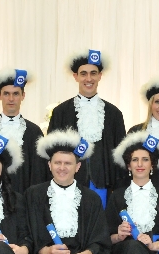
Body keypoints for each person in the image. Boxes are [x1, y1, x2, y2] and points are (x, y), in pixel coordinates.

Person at [48, 49, 126, 206]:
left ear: (100, 76)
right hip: (69, 183)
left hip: (103, 184)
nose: (88, 78)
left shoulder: (114, 114)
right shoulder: (61, 112)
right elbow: (52, 153)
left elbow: (121, 155)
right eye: (83, 74)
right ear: (75, 76)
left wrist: (119, 188)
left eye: (93, 73)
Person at [0, 68, 48, 192]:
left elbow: (39, 173)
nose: (11, 99)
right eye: (6, 94)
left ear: (23, 96)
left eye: (15, 94)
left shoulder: (34, 132)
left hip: (25, 197)